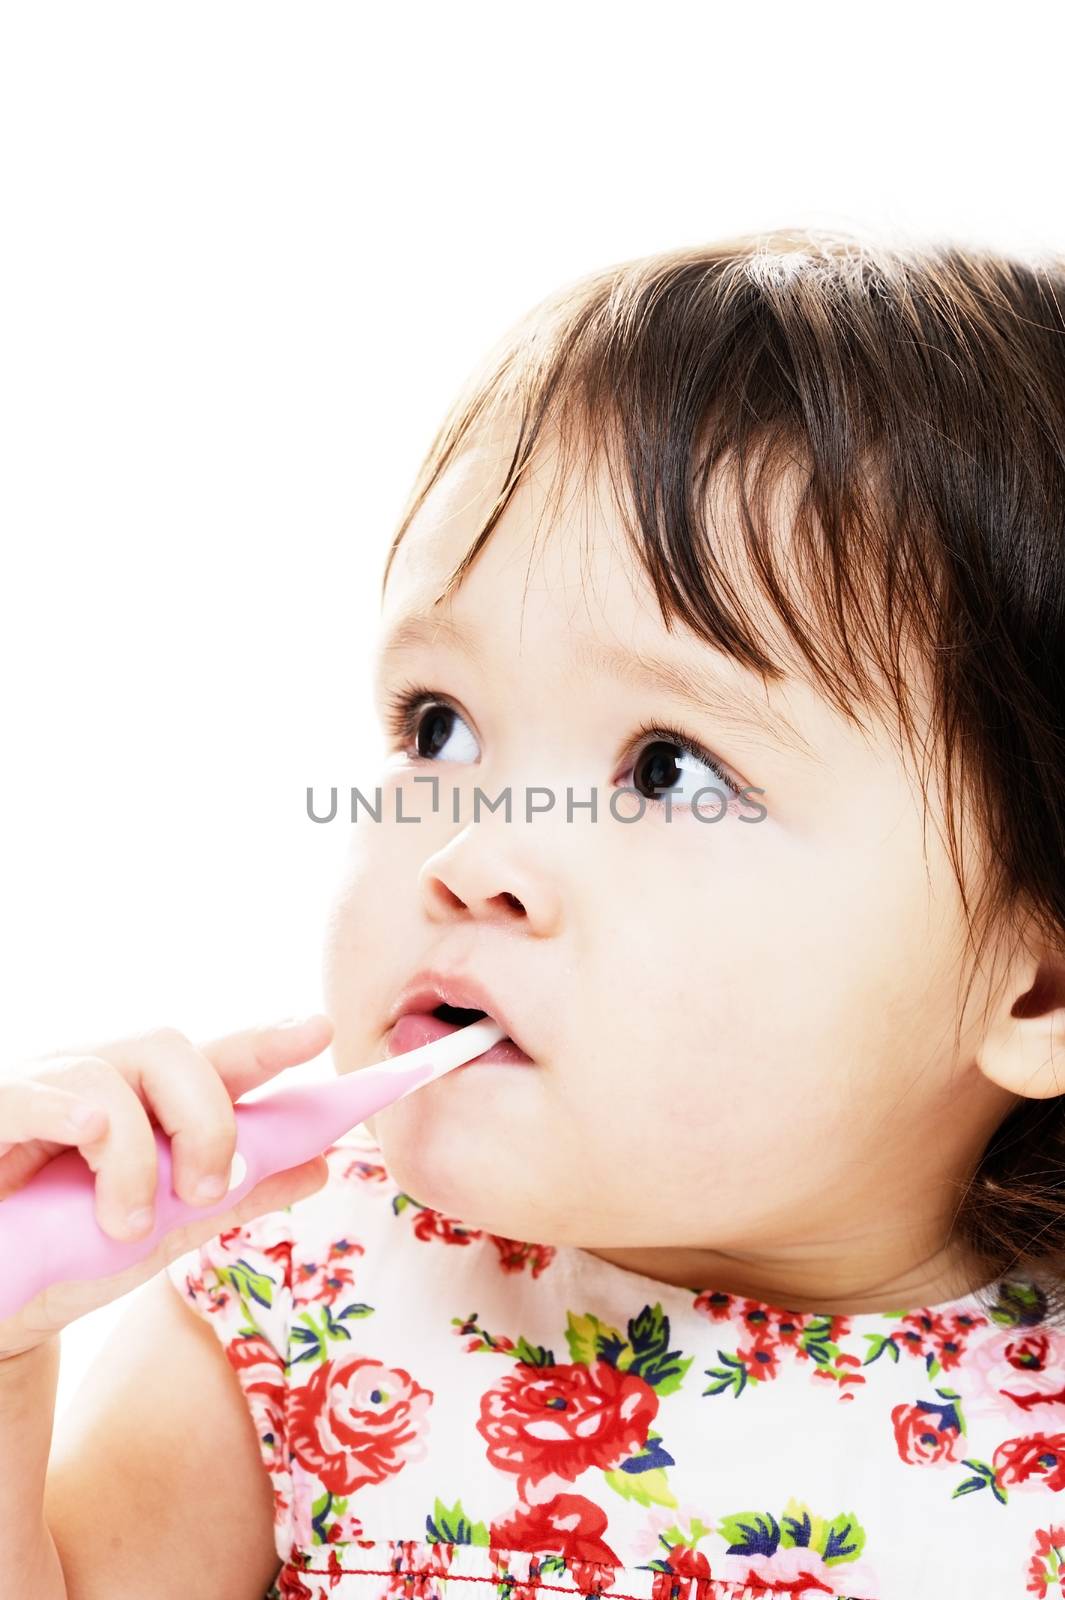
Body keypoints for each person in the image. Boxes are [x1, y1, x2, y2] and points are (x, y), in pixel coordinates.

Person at [4, 228, 1065, 1599]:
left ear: (1034, 986)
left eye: (668, 767)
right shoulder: (294, 1302)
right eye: (437, 728)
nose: (475, 852)